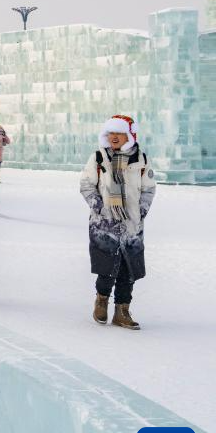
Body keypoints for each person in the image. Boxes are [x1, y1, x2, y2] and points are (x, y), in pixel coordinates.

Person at [79, 115, 156, 330]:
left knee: (128, 270)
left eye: (119, 133)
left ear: (129, 135)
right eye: (111, 133)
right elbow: (86, 186)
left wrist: (141, 211)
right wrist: (101, 209)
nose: (114, 137)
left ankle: (122, 310)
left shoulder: (141, 159)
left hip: (131, 225)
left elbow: (149, 188)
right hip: (104, 226)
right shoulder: (98, 157)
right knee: (107, 267)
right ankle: (101, 300)